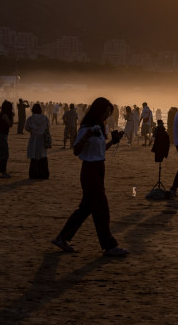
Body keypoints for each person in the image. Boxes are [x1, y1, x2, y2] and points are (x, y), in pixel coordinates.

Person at [52, 97, 128, 256]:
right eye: (106, 112)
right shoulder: (86, 128)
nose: (107, 116)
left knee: (85, 208)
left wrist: (113, 142)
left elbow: (100, 151)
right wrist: (86, 136)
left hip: (99, 168)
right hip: (89, 170)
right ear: (98, 111)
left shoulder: (100, 127)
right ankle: (109, 245)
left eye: (109, 113)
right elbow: (76, 151)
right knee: (101, 209)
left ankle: (62, 238)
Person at [25, 103, 51, 179]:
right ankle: (44, 175)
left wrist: (33, 130)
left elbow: (26, 128)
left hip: (34, 138)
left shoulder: (30, 118)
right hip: (42, 139)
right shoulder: (45, 118)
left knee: (34, 157)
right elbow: (48, 127)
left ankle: (34, 174)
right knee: (43, 156)